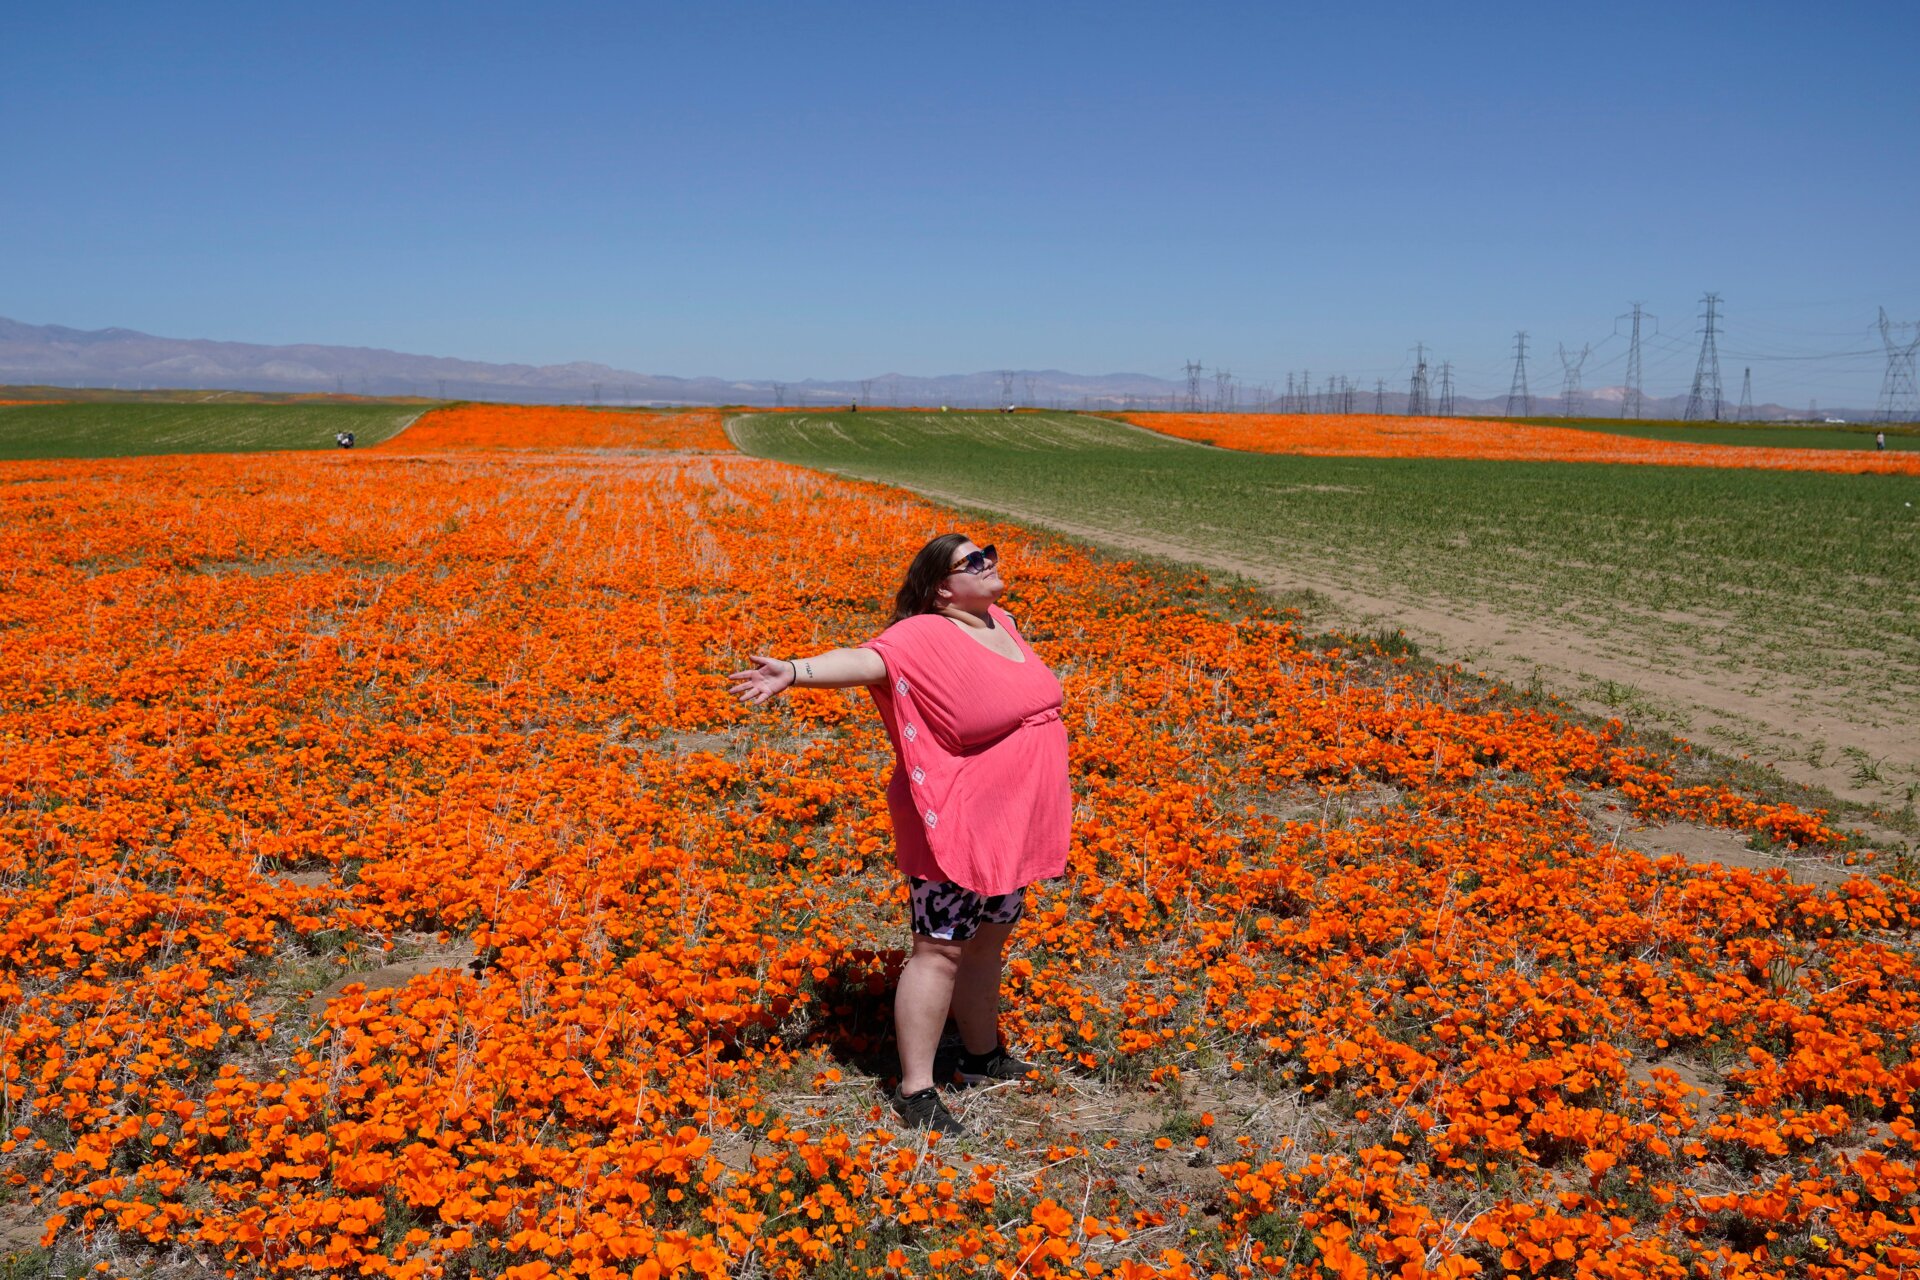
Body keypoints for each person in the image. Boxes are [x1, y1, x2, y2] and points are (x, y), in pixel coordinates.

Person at [728, 535, 1071, 1136]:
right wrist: (796, 672)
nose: (990, 564)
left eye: (987, 552)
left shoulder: (1002, 621)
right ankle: (916, 1088)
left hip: (1010, 821)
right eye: (974, 561)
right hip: (956, 819)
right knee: (939, 950)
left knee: (988, 939)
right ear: (942, 587)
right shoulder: (920, 634)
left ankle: (980, 1055)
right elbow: (867, 662)